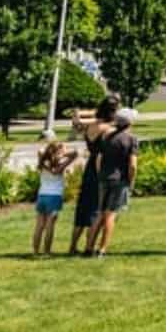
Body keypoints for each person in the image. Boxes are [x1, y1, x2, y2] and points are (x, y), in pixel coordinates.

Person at [68, 94, 120, 255]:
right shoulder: (108, 128)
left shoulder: (90, 126)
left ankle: (73, 245)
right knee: (98, 208)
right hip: (102, 166)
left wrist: (88, 114)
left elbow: (77, 121)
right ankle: (89, 246)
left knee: (83, 207)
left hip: (90, 166)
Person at [87, 108, 139, 258]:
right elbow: (133, 165)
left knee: (100, 213)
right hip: (120, 179)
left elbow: (98, 159)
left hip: (104, 177)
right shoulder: (131, 139)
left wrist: (100, 174)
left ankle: (89, 247)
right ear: (129, 122)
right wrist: (131, 181)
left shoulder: (106, 137)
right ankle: (102, 249)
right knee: (111, 214)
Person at [30, 139, 77, 257]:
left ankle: (35, 251)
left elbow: (40, 151)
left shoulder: (43, 162)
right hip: (54, 197)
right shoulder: (60, 165)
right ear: (58, 151)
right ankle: (46, 251)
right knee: (50, 225)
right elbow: (75, 154)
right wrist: (62, 154)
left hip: (42, 195)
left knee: (39, 225)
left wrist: (52, 152)